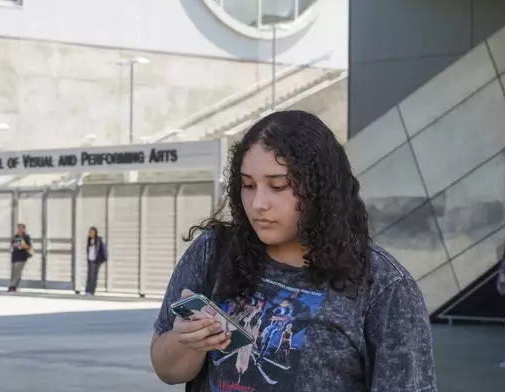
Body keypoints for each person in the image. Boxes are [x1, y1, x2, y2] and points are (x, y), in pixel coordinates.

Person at [150, 110, 437, 392]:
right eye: (248, 185)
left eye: (278, 186)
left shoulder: (383, 286)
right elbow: (167, 370)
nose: (258, 203)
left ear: (320, 190)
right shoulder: (214, 251)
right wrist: (186, 340)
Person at [8, 223, 32, 292]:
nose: (20, 229)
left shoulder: (26, 237)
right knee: (14, 273)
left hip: (22, 257)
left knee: (18, 272)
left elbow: (28, 246)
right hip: (15, 256)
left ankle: (12, 286)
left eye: (21, 228)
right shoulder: (15, 236)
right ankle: (15, 286)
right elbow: (12, 245)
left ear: (24, 229)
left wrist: (22, 245)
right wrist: (15, 245)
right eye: (19, 228)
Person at [85, 226, 107, 296]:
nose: (90, 233)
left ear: (95, 233)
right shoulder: (89, 240)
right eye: (90, 232)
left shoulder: (98, 240)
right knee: (89, 276)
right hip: (90, 261)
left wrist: (101, 259)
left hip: (96, 261)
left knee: (93, 277)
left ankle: (91, 291)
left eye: (92, 232)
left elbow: (102, 250)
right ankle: (88, 291)